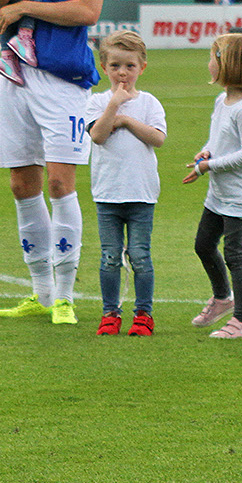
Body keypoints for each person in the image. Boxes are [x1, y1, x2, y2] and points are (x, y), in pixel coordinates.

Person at [0, 0, 108, 326]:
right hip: (14, 73)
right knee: (22, 185)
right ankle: (39, 293)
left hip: (62, 80)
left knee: (60, 183)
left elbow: (89, 11)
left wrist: (25, 4)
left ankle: (64, 297)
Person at [183, 33, 242, 339]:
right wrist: (206, 152)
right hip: (219, 193)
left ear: (228, 65)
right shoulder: (223, 100)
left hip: (241, 196)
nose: (208, 64)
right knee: (203, 245)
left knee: (235, 255)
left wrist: (209, 165)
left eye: (213, 58)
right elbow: (219, 140)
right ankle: (222, 298)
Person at [85, 31, 165, 336]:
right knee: (109, 256)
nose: (123, 72)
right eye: (116, 65)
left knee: (140, 256)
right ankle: (110, 313)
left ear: (141, 68)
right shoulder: (97, 102)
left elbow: (157, 138)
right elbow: (98, 136)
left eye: (130, 66)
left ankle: (143, 314)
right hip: (107, 193)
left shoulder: (149, 103)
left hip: (142, 194)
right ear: (104, 67)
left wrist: (128, 120)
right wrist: (113, 108)